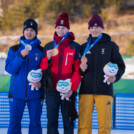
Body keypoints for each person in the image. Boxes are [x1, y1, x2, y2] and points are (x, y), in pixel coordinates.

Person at [78, 13, 125, 134]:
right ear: (89, 29)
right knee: (83, 125)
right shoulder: (83, 47)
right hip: (85, 90)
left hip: (105, 90)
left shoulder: (111, 46)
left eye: (97, 27)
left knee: (104, 126)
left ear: (102, 28)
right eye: (92, 27)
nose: (94, 29)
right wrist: (80, 68)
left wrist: (115, 77)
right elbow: (77, 70)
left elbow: (121, 65)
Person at [40, 12, 81, 134]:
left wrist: (72, 88)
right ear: (55, 28)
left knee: (68, 122)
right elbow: (42, 68)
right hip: (51, 90)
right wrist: (46, 58)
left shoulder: (75, 46)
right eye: (58, 28)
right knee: (51, 122)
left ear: (68, 29)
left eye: (63, 28)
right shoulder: (48, 46)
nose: (60, 30)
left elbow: (78, 70)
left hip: (68, 91)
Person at [5, 18, 44, 134]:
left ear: (36, 32)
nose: (29, 32)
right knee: (14, 123)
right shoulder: (14, 49)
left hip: (35, 94)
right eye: (26, 29)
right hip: (16, 93)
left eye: (32, 30)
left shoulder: (41, 51)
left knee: (35, 123)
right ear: (23, 31)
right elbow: (9, 69)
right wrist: (20, 57)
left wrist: (41, 84)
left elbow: (46, 72)